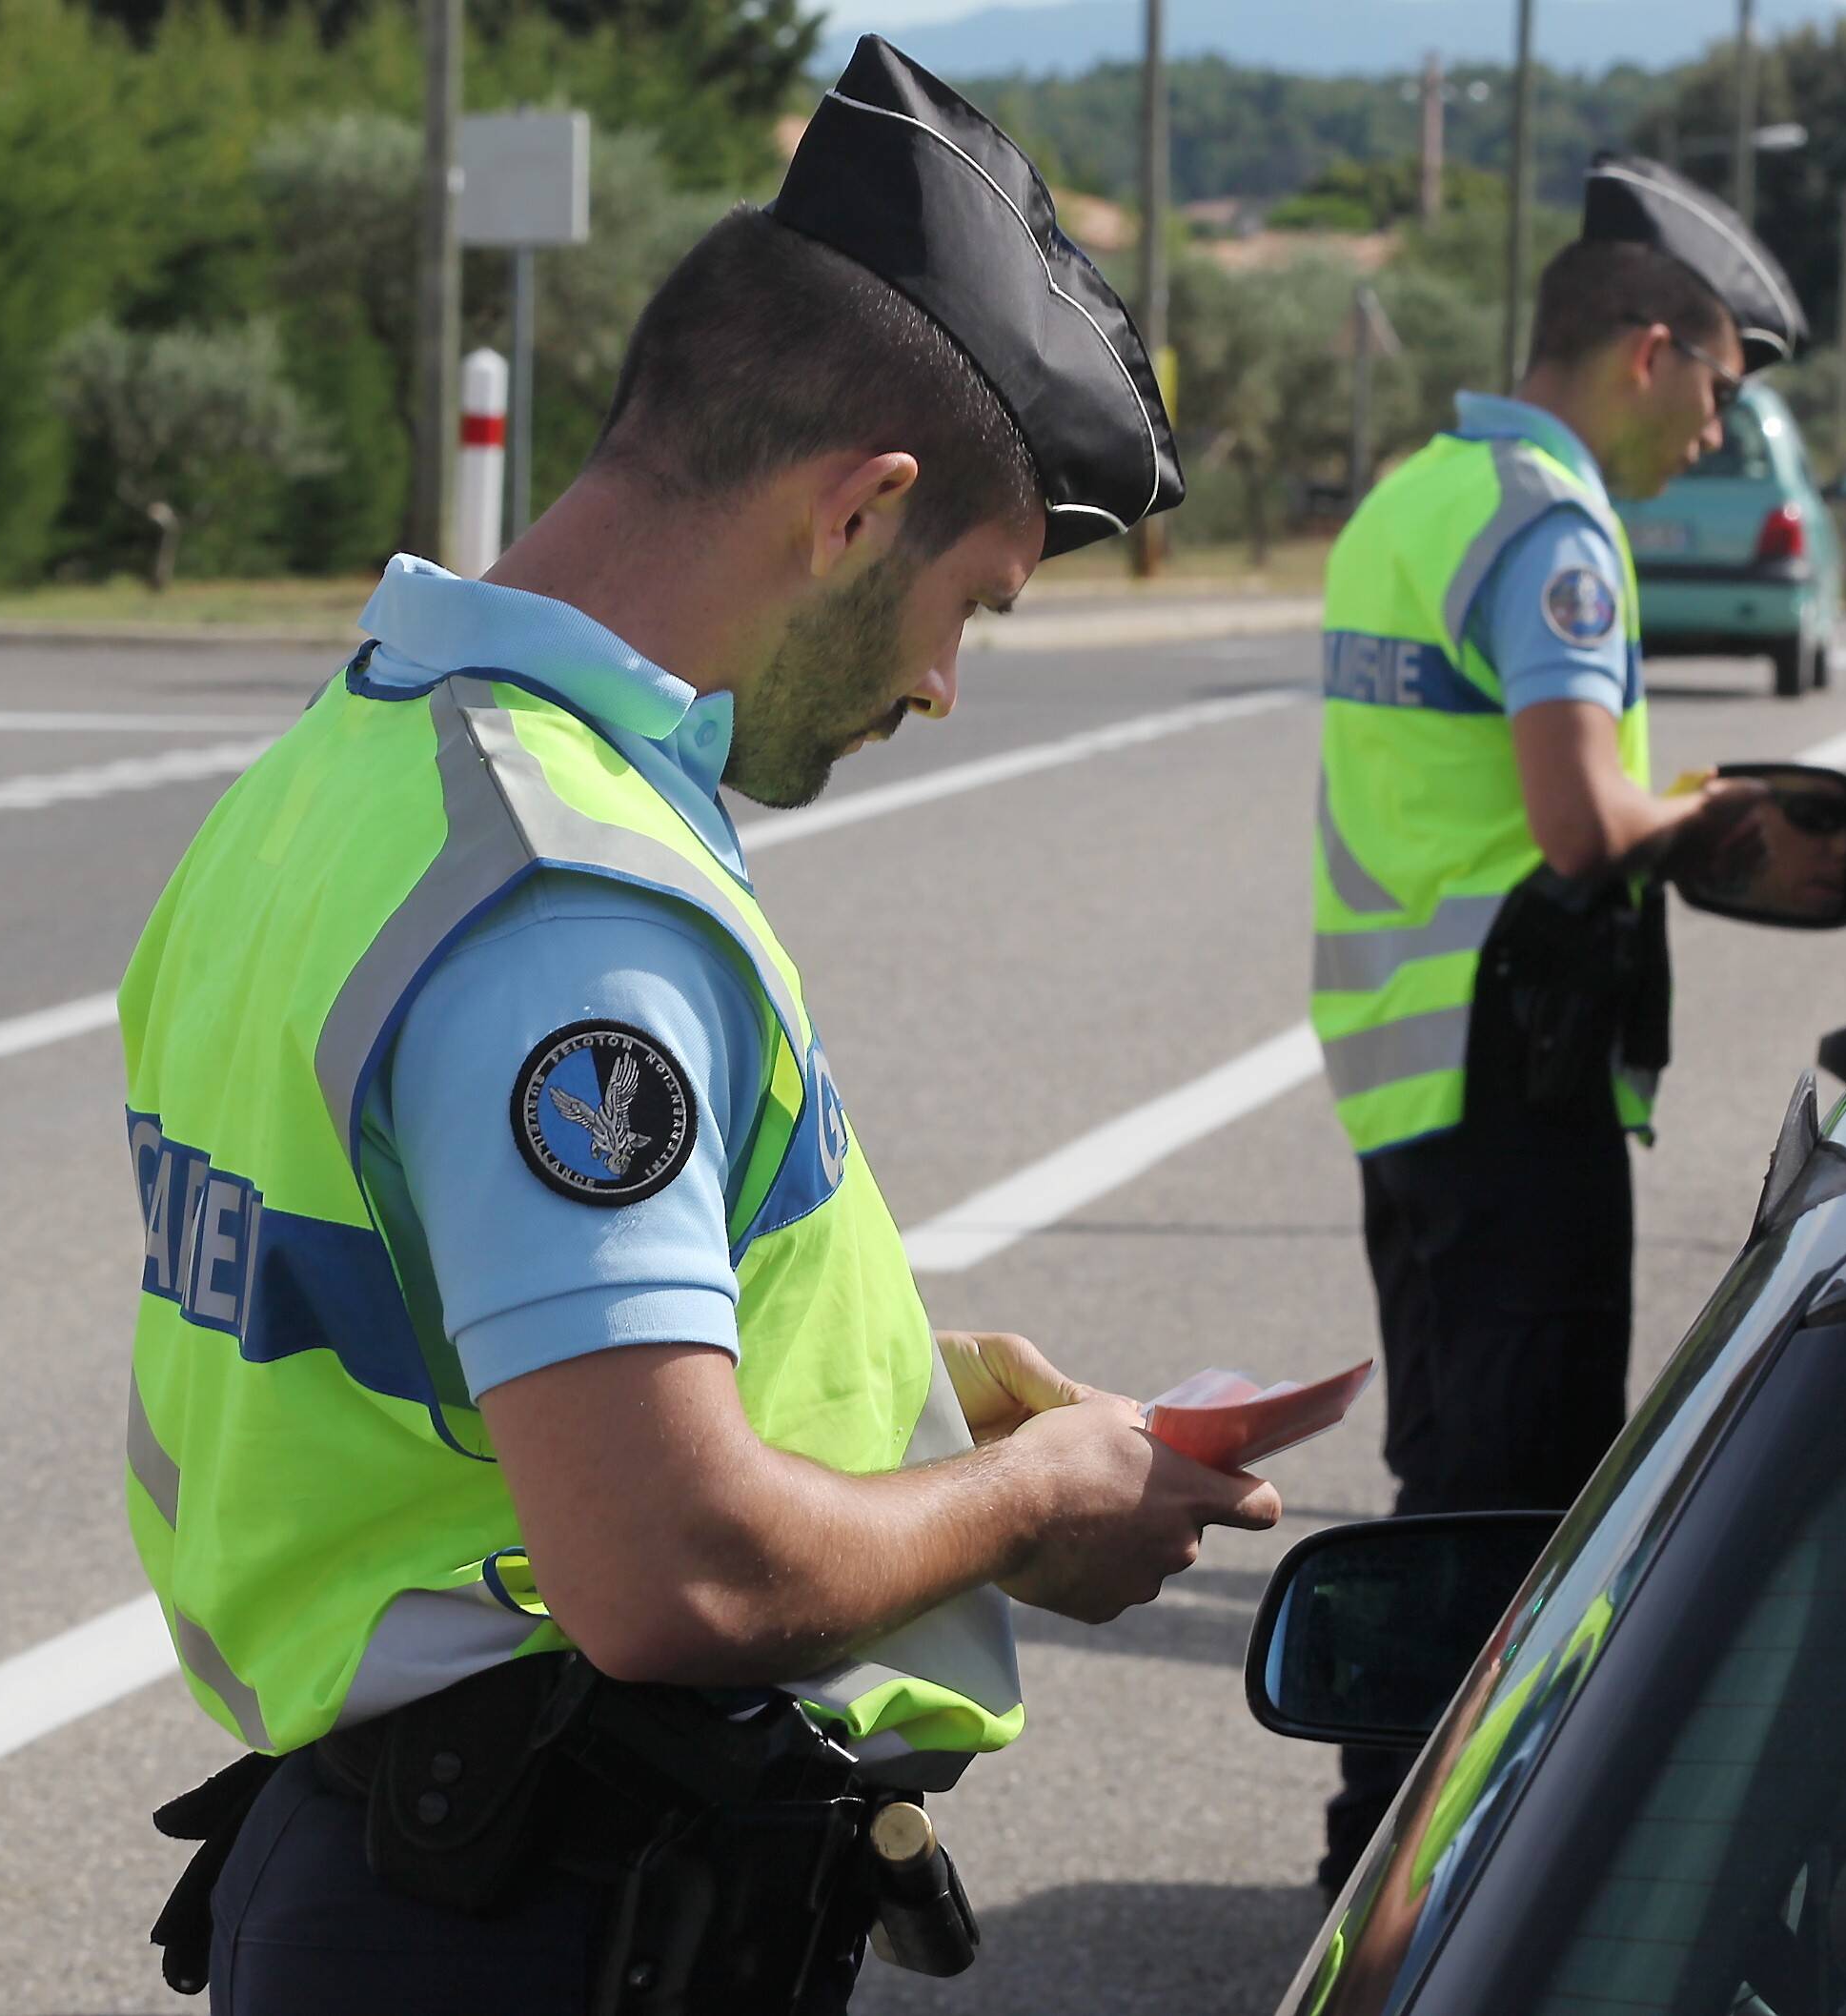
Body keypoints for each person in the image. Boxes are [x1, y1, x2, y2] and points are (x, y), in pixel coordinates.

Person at [120, 39, 1278, 2015]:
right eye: (974, 606)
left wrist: (902, 1394)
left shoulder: (360, 763)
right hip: (537, 1921)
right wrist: (1030, 1505)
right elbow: (675, 1573)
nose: (942, 686)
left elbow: (432, 1322)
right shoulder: (568, 902)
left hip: (418, 1873)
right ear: (859, 511)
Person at [1307, 156, 1806, 1891]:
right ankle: (1409, 1882)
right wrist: (1710, 812)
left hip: (1405, 1072)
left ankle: (1379, 1854)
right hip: (1510, 1072)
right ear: (1647, 349)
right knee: (1515, 1507)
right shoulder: (1552, 526)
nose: (1716, 434)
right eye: (1717, 390)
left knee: (1447, 1479)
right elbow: (1581, 822)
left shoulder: (1416, 495)